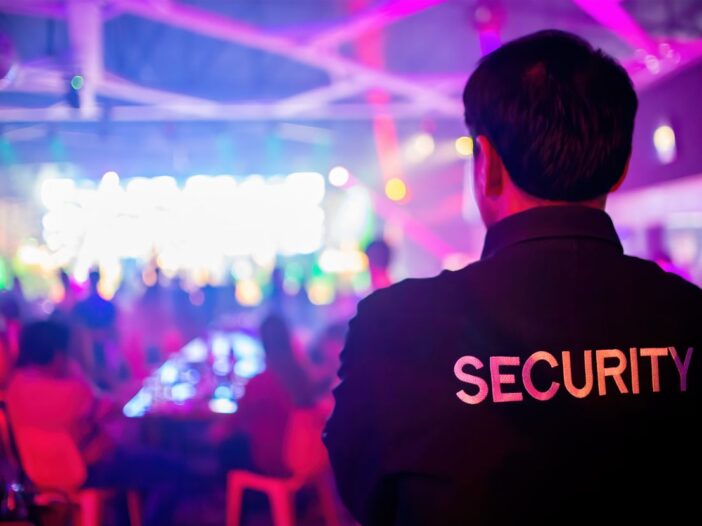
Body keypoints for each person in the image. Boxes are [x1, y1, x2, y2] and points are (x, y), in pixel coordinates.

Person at [323, 30, 702, 526]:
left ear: (487, 165)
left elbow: (365, 496)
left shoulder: (393, 326)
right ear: (621, 167)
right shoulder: (689, 316)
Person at [6, 319, 194, 526]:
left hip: (38, 476)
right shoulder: (73, 392)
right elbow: (116, 409)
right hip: (89, 472)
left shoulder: (14, 388)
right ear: (59, 354)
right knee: (175, 469)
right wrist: (79, 374)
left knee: (131, 470)